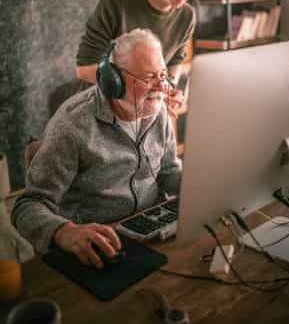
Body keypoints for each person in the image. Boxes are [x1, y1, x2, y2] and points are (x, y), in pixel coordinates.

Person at [11, 29, 181, 269]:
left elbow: (168, 173)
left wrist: (197, 185)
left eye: (163, 75)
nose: (161, 87)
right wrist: (64, 232)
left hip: (155, 230)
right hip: (97, 245)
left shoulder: (157, 110)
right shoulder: (72, 124)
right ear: (115, 81)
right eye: (148, 77)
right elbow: (28, 205)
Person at [76, 0, 226, 110]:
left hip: (145, 111)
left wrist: (168, 90)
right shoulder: (116, 2)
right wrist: (139, 90)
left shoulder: (187, 16)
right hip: (102, 107)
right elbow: (84, 69)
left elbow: (173, 64)